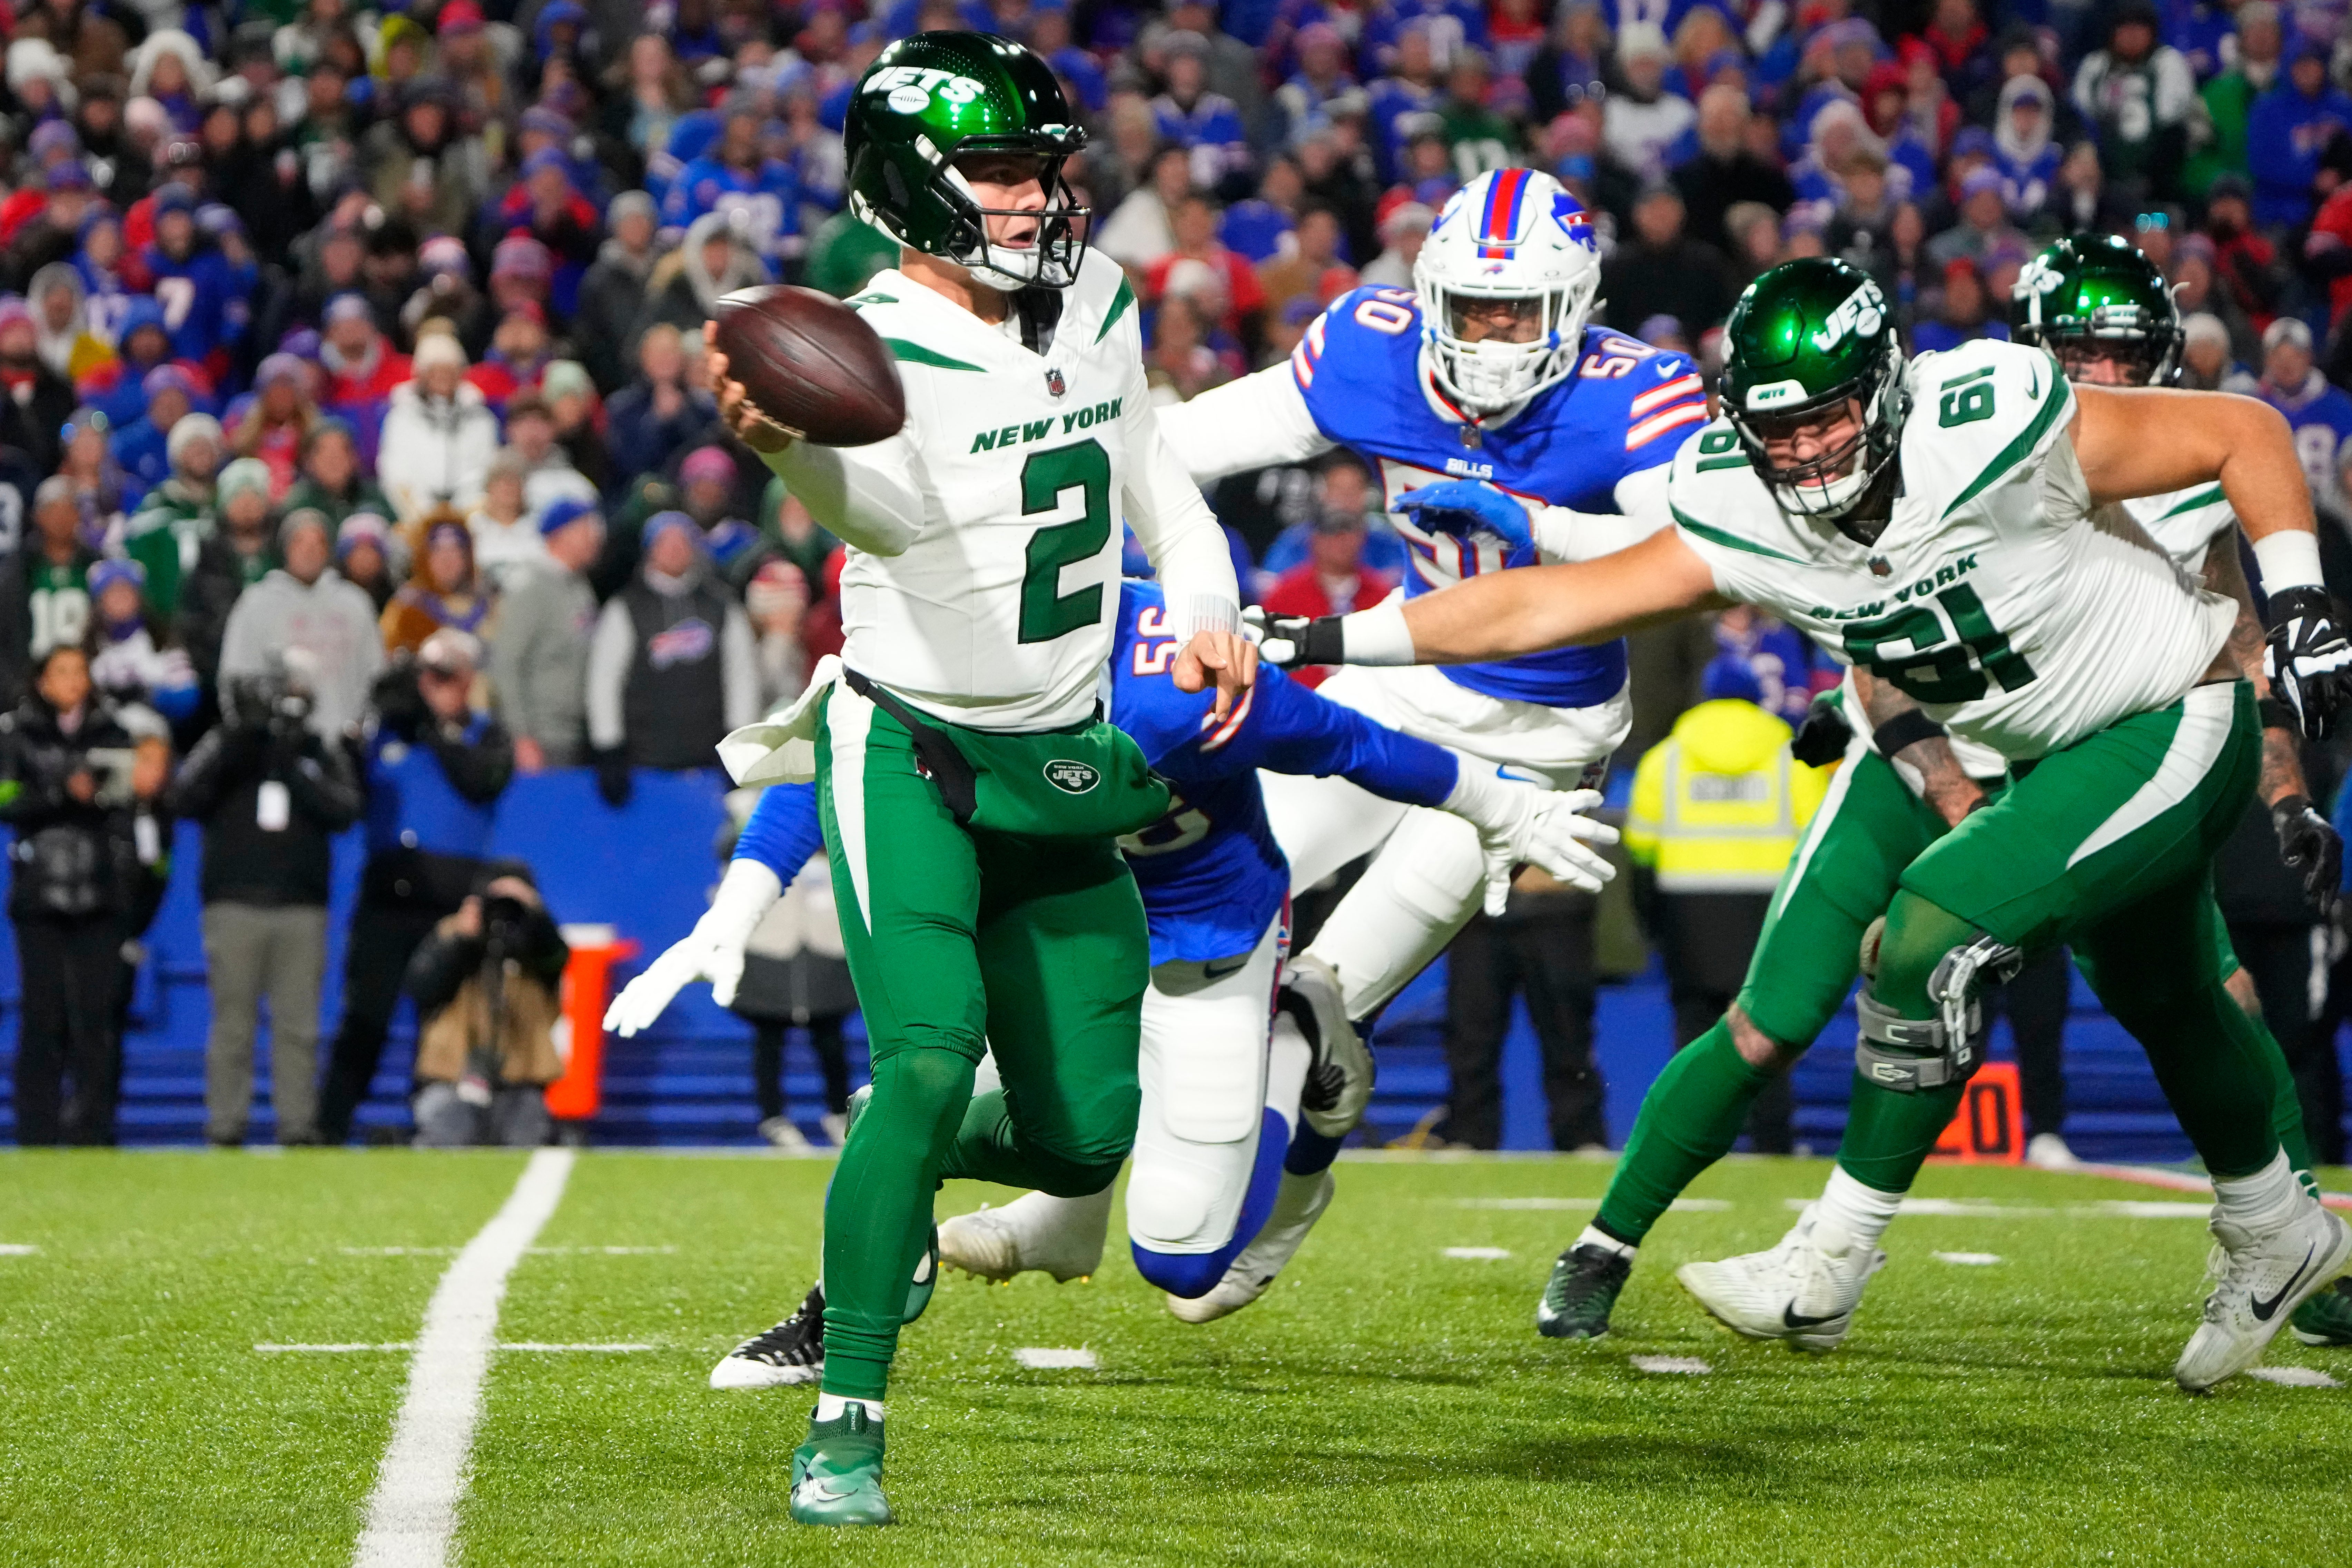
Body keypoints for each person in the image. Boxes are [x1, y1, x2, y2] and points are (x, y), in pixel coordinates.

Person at [1253, 254, 2352, 1393]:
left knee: (1930, 928)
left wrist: (2304, 604)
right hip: (2053, 750)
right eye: (1773, 431)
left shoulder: (1983, 418)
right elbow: (1541, 600)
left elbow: (2241, 429)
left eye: (1825, 420)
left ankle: (1829, 1253)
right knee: (2166, 998)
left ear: (1880, 388)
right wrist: (1316, 641)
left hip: (2166, 711)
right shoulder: (1740, 500)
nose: (1805, 453)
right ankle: (2276, 1224)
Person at [694, 34, 1255, 1526]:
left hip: (1063, 766)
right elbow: (874, 513)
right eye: (1002, 170)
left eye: (1041, 167)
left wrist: (1209, 597)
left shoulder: (1100, 298)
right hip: (914, 753)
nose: (1035, 197)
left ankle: (910, 1191)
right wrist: (791, 452)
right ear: (910, 186)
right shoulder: (870, 342)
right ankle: (846, 1418)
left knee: (1084, 1136)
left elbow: (1161, 485)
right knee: (927, 1059)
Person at [609, 578, 1610, 1382]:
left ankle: (1309, 1059)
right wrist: (731, 912)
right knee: (920, 1087)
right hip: (1050, 926)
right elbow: (842, 763)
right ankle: (850, 1304)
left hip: (1200, 944)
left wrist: (1499, 807)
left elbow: (1350, 744)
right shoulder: (939, 650)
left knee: (1185, 1267)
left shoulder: (1179, 676)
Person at [1158, 166, 1689, 1081]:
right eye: (1472, 307)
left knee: (1317, 1011)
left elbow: (1693, 554)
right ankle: (1049, 1204)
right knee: (1210, 912)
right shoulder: (1372, 351)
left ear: (1575, 304)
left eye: (1519, 312)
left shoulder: (1633, 393)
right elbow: (1186, 442)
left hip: (1540, 734)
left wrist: (1547, 529)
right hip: (1401, 680)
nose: (1490, 336)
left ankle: (1297, 1149)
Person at [1621, 660, 1834, 1155]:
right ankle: (1772, 1141)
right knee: (1766, 1031)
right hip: (1767, 913)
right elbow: (1821, 838)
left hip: (1687, 911)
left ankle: (1684, 1142)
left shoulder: (1666, 758)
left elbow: (1639, 846)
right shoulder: (1791, 754)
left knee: (1695, 1033)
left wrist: (1651, 924)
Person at [317, 629, 514, 1144]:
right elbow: (348, 795)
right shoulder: (387, 735)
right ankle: (327, 1126)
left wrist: (433, 728)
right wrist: (361, 732)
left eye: (446, 677)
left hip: (450, 899)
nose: (433, 688)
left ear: (468, 681)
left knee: (445, 1020)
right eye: (426, 677)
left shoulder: (485, 735)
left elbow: (482, 781)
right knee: (367, 1015)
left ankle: (436, 1127)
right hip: (388, 893)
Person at [167, 652, 363, 1147]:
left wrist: (293, 763)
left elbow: (345, 809)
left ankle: (297, 1125)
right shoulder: (226, 744)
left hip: (301, 905)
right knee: (233, 1024)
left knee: (298, 1025)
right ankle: (225, 1125)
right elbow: (183, 796)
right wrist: (240, 744)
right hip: (234, 902)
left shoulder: (315, 748)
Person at [0, 642, 155, 1145]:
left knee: (97, 1015)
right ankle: (37, 1131)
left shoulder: (113, 732)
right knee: (42, 1015)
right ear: (42, 681)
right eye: (62, 671)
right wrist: (62, 791)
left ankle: (95, 1129)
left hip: (100, 890)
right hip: (40, 891)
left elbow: (128, 808)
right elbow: (6, 800)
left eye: (80, 671)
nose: (73, 680)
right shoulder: (17, 733)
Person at [584, 510, 758, 803]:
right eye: (666, 542)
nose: (675, 550)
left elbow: (742, 676)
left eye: (683, 542)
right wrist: (609, 745)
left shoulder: (721, 605)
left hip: (708, 761)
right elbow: (604, 681)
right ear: (651, 549)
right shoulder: (626, 607)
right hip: (643, 762)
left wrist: (739, 741)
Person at [406, 865, 568, 1148]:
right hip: (452, 1080)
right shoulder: (453, 934)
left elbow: (556, 958)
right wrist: (462, 940)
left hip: (522, 1086)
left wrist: (535, 918)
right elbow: (423, 988)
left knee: (525, 1147)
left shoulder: (536, 943)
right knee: (446, 1144)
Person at [218, 510, 384, 741]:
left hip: (347, 743)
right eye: (300, 542)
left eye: (318, 543)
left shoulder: (355, 603)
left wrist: (366, 729)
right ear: (285, 548)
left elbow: (375, 673)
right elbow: (236, 677)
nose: (310, 551)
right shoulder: (256, 604)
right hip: (279, 744)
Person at [492, 497, 602, 772]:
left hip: (576, 731)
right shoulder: (531, 587)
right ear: (560, 535)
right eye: (585, 530)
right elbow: (507, 663)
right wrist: (522, 736)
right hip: (542, 736)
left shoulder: (581, 587)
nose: (594, 539)